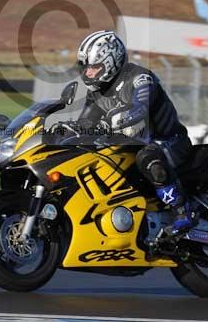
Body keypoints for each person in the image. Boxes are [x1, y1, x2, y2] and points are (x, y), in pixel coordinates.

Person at [74, 30, 197, 238]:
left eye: (95, 67)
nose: (89, 73)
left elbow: (140, 107)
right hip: (131, 143)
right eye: (87, 67)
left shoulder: (140, 78)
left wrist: (111, 121)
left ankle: (183, 210)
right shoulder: (97, 91)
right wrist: (64, 131)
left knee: (147, 158)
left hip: (168, 141)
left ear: (111, 62)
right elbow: (85, 122)